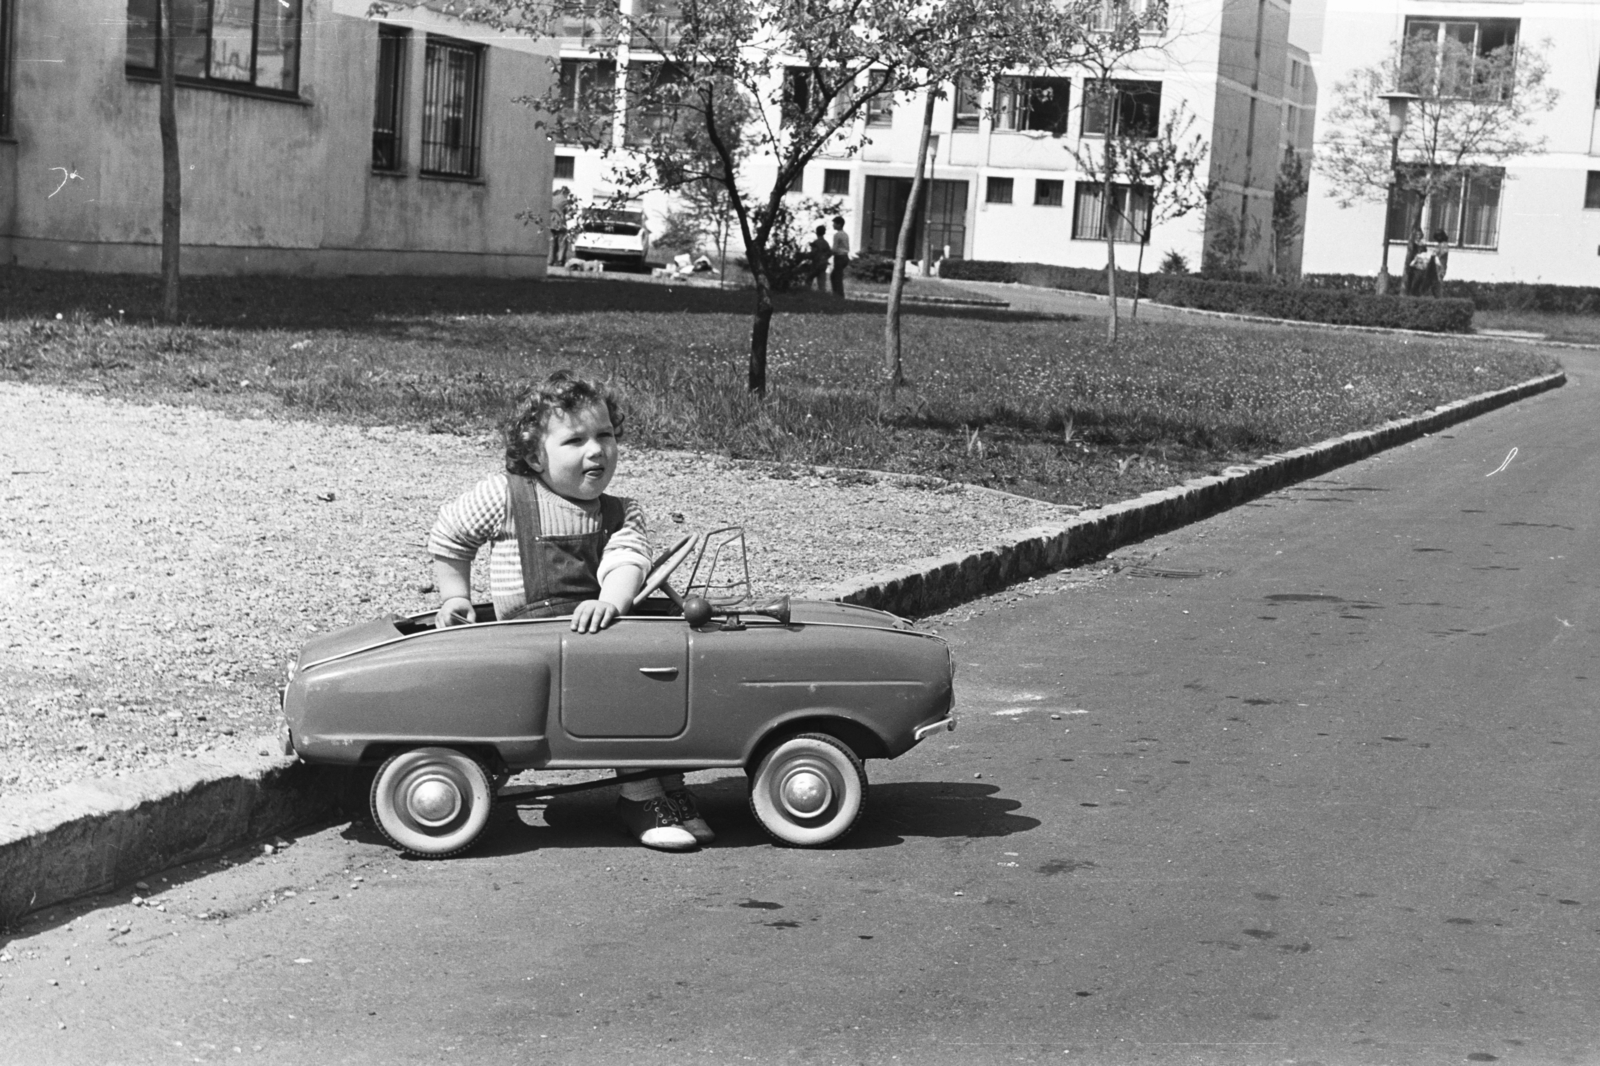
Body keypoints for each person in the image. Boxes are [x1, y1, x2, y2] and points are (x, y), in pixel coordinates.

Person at [428, 370, 714, 851]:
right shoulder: (506, 496)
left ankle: (670, 784)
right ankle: (640, 793)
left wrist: (611, 601)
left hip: (594, 627)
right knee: (623, 680)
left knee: (658, 668)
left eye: (605, 435)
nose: (596, 450)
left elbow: (628, 559)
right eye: (575, 440)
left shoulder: (622, 511)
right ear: (535, 454)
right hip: (532, 642)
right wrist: (454, 595)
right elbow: (450, 534)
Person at [829, 215, 851, 298]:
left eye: (834, 223)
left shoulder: (837, 235)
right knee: (835, 276)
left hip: (839, 257)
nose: (833, 225)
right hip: (845, 257)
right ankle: (836, 294)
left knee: (837, 277)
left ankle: (839, 295)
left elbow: (834, 249)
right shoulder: (846, 234)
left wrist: (827, 255)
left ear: (839, 224)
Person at [1424, 229, 1450, 298]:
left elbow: (1441, 254)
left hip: (1441, 267)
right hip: (1436, 266)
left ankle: (1439, 299)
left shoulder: (1444, 244)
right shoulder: (1439, 245)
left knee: (1438, 284)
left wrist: (1435, 252)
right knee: (1434, 283)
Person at [1402, 225, 1425, 297]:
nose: (1418, 236)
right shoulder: (1412, 244)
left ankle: (1416, 295)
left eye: (1419, 234)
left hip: (1420, 265)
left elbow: (1424, 253)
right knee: (1413, 282)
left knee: (1420, 281)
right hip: (1413, 265)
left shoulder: (1422, 244)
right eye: (1417, 234)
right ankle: (1411, 295)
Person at [808, 224, 832, 291]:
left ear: (816, 232)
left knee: (809, 280)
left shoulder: (815, 243)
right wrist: (824, 258)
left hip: (815, 264)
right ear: (824, 233)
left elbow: (813, 254)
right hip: (823, 265)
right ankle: (822, 296)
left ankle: (806, 292)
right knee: (822, 284)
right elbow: (830, 253)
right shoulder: (826, 243)